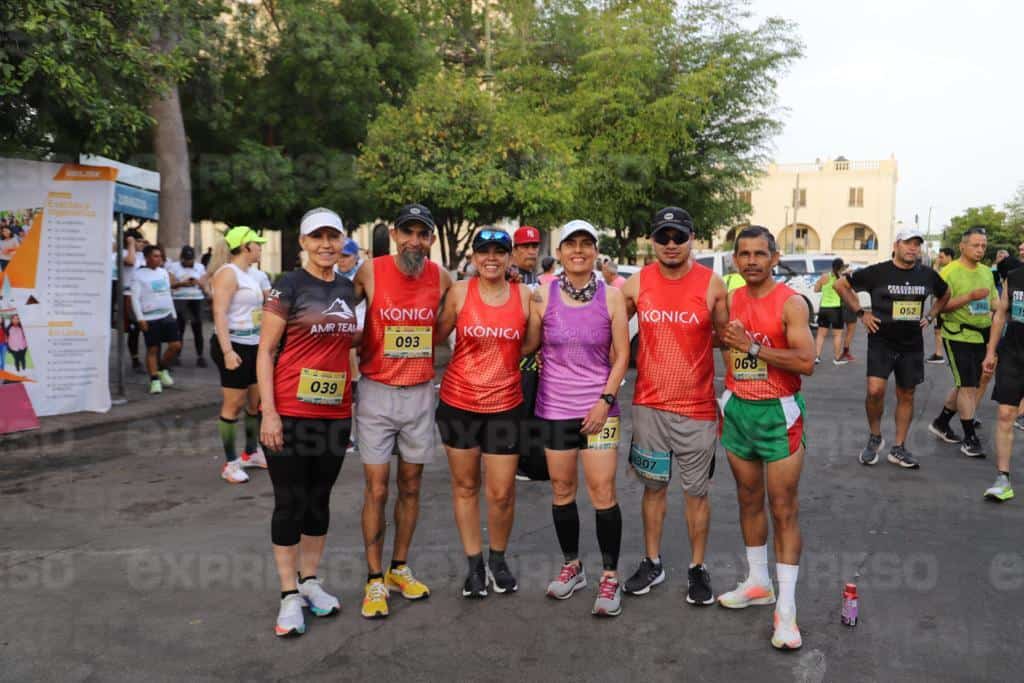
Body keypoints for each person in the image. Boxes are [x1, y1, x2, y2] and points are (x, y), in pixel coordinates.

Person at [257, 208, 359, 637]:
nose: (326, 245)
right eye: (317, 237)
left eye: (332, 237)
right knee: (289, 503)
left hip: (334, 415)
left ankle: (311, 581)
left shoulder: (347, 287)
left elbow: (348, 349)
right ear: (303, 242)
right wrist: (269, 412)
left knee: (319, 500)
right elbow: (265, 351)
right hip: (291, 414)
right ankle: (287, 596)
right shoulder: (288, 286)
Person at [620, 207, 728, 604]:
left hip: (697, 409)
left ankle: (697, 567)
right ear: (652, 240)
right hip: (649, 406)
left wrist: (731, 392)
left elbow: (727, 339)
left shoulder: (712, 285)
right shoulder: (635, 285)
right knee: (654, 489)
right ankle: (652, 561)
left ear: (691, 239)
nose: (670, 244)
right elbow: (609, 331)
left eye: (678, 237)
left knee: (696, 493)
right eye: (663, 237)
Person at [353, 203, 453, 619]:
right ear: (394, 234)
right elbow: (337, 312)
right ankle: (374, 579)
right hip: (376, 391)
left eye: (422, 234)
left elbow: (445, 326)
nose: (415, 241)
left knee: (411, 486)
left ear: (430, 239)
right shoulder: (370, 271)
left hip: (419, 392)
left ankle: (399, 567)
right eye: (408, 232)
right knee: (377, 488)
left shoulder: (441, 278)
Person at [717, 226, 815, 650]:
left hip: (778, 414)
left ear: (775, 258)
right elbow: (721, 345)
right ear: (735, 259)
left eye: (761, 253)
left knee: (783, 508)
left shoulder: (789, 303)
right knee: (747, 498)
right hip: (739, 409)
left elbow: (806, 362)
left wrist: (753, 349)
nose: (752, 260)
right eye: (745, 254)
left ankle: (787, 611)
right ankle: (758, 582)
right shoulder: (730, 298)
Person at [528, 220, 630, 617]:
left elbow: (622, 355)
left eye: (587, 244)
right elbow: (529, 344)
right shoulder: (541, 296)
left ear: (595, 251)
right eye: (572, 244)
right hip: (554, 408)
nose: (579, 251)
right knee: (561, 489)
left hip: (599, 410)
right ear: (562, 250)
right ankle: (573, 566)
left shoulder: (612, 298)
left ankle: (609, 575)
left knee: (603, 493)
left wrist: (605, 400)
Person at [435, 228, 533, 598]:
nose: (491, 257)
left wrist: (500, 365)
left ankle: (498, 558)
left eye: (499, 251)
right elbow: (437, 334)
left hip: (505, 407)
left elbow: (531, 341)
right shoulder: (460, 292)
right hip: (458, 404)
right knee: (465, 486)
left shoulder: (524, 296)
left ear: (509, 257)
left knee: (502, 493)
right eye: (483, 251)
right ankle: (474, 564)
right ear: (474, 257)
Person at [835, 228, 950, 469]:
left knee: (906, 393)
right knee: (875, 390)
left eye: (917, 244)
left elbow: (945, 293)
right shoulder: (877, 272)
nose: (913, 248)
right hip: (881, 340)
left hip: (911, 344)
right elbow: (841, 285)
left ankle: (899, 447)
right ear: (897, 245)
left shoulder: (927, 275)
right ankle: (875, 436)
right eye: (908, 243)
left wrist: (930, 316)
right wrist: (861, 313)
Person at [929, 226, 998, 457]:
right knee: (968, 386)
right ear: (962, 246)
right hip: (957, 335)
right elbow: (939, 307)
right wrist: (968, 297)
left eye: (983, 246)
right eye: (975, 245)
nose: (980, 250)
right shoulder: (949, 272)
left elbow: (995, 304)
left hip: (982, 334)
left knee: (967, 383)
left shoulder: (987, 272)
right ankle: (970, 438)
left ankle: (941, 422)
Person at [210, 226, 269, 484]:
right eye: (257, 244)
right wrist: (227, 352)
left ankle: (251, 453)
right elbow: (219, 313)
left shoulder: (252, 275)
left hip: (254, 344)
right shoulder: (227, 273)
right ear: (245, 247)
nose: (260, 248)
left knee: (255, 404)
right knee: (233, 405)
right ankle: (230, 463)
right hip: (233, 344)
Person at [981, 262, 1024, 501]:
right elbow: (1000, 314)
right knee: (1006, 414)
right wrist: (990, 351)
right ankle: (1003, 478)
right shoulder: (1015, 278)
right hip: (1013, 355)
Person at [131, 245, 182, 395]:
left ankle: (162, 369)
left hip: (166, 315)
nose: (159, 259)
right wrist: (140, 319)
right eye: (155, 256)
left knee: (175, 345)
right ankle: (154, 380)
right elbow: (134, 298)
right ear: (147, 258)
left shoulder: (163, 273)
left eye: (160, 256)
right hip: (150, 317)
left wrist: (173, 313)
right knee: (153, 349)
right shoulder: (139, 275)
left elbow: (167, 293)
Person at [167, 245, 208, 367]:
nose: (188, 262)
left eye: (190, 259)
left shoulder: (200, 267)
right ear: (182, 258)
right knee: (180, 328)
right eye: (186, 259)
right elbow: (171, 283)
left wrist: (197, 282)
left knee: (197, 328)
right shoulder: (173, 267)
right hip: (180, 299)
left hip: (196, 299)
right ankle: (176, 355)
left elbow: (204, 283)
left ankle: (200, 356)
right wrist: (183, 283)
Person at [813, 258, 846, 365]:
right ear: (841, 267)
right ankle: (836, 359)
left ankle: (816, 357)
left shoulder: (824, 276)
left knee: (821, 335)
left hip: (824, 308)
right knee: (837, 335)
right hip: (836, 309)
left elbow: (816, 289)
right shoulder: (842, 279)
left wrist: (824, 288)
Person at [927, 247, 956, 363]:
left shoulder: (949, 270)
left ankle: (942, 355)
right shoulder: (948, 269)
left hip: (945, 304)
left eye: (941, 257)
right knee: (938, 329)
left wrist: (935, 267)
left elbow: (935, 281)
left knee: (940, 329)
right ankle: (939, 354)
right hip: (942, 304)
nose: (939, 259)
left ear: (949, 257)